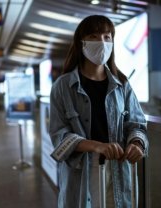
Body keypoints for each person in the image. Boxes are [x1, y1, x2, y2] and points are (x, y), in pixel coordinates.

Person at [49, 15, 149, 208]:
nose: (102, 42)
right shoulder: (63, 86)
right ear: (81, 43)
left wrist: (137, 143)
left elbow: (137, 124)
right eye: (94, 37)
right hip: (81, 173)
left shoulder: (122, 84)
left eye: (107, 36)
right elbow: (58, 136)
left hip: (118, 171)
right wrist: (96, 146)